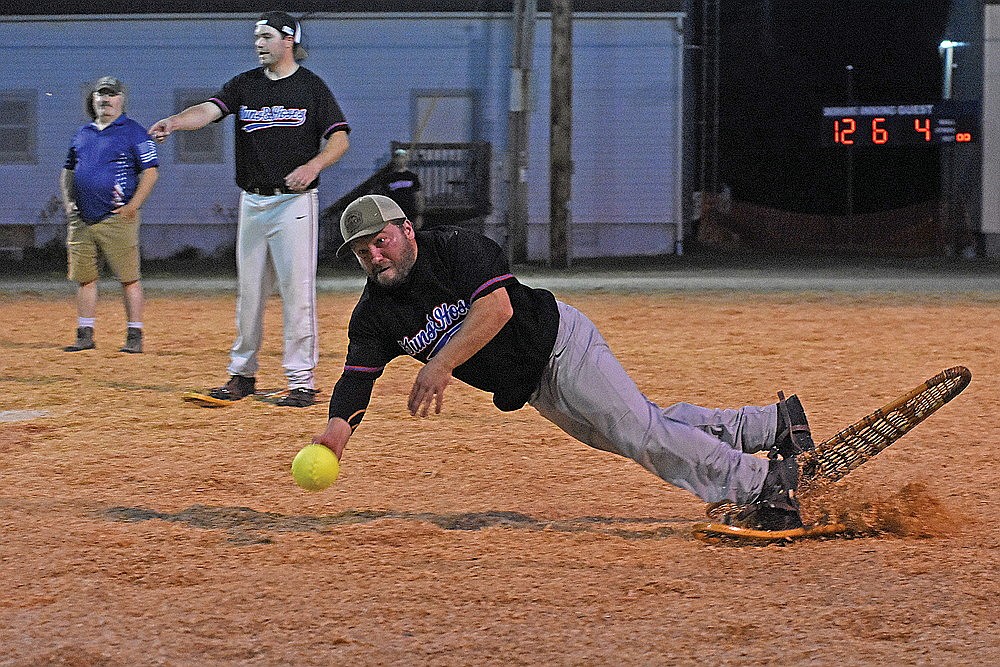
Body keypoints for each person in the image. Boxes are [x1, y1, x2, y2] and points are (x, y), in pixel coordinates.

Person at [312, 194, 815, 531]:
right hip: (535, 387)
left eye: (381, 240)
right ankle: (773, 425)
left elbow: (497, 308)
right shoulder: (374, 313)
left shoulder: (455, 248)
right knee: (635, 432)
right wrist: (336, 435)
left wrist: (440, 364)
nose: (374, 256)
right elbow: (356, 381)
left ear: (407, 230)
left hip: (561, 343)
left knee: (640, 433)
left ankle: (765, 487)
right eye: (361, 250)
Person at [149, 11, 350, 407]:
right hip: (253, 202)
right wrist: (174, 122)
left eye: (266, 36)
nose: (258, 43)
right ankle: (242, 375)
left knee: (298, 294)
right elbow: (208, 111)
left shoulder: (311, 88)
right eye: (256, 37)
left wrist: (313, 165)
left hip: (294, 204)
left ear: (288, 40)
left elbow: (339, 139)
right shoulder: (245, 85)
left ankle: (301, 382)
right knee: (250, 295)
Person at [61, 76, 160, 354]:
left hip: (117, 218)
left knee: (129, 278)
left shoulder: (134, 132)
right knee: (85, 278)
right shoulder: (82, 134)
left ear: (121, 99)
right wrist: (69, 202)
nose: (106, 100)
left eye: (111, 95)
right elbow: (68, 171)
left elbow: (150, 172)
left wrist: (133, 205)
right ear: (92, 100)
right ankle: (84, 333)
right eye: (100, 95)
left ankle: (134, 335)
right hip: (82, 219)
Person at [371, 148, 425, 229]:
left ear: (406, 158)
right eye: (398, 157)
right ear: (394, 159)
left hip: (410, 213)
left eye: (403, 157)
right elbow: (383, 197)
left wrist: (419, 214)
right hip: (394, 215)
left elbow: (418, 195)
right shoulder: (387, 178)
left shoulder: (412, 176)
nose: (400, 159)